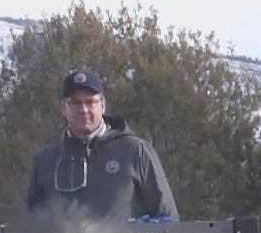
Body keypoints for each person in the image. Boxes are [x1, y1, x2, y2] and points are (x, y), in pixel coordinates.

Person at [26, 70, 178, 221]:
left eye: (90, 102)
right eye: (75, 103)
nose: (83, 110)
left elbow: (168, 220)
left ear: (103, 106)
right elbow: (31, 225)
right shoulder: (45, 161)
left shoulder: (136, 151)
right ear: (63, 109)